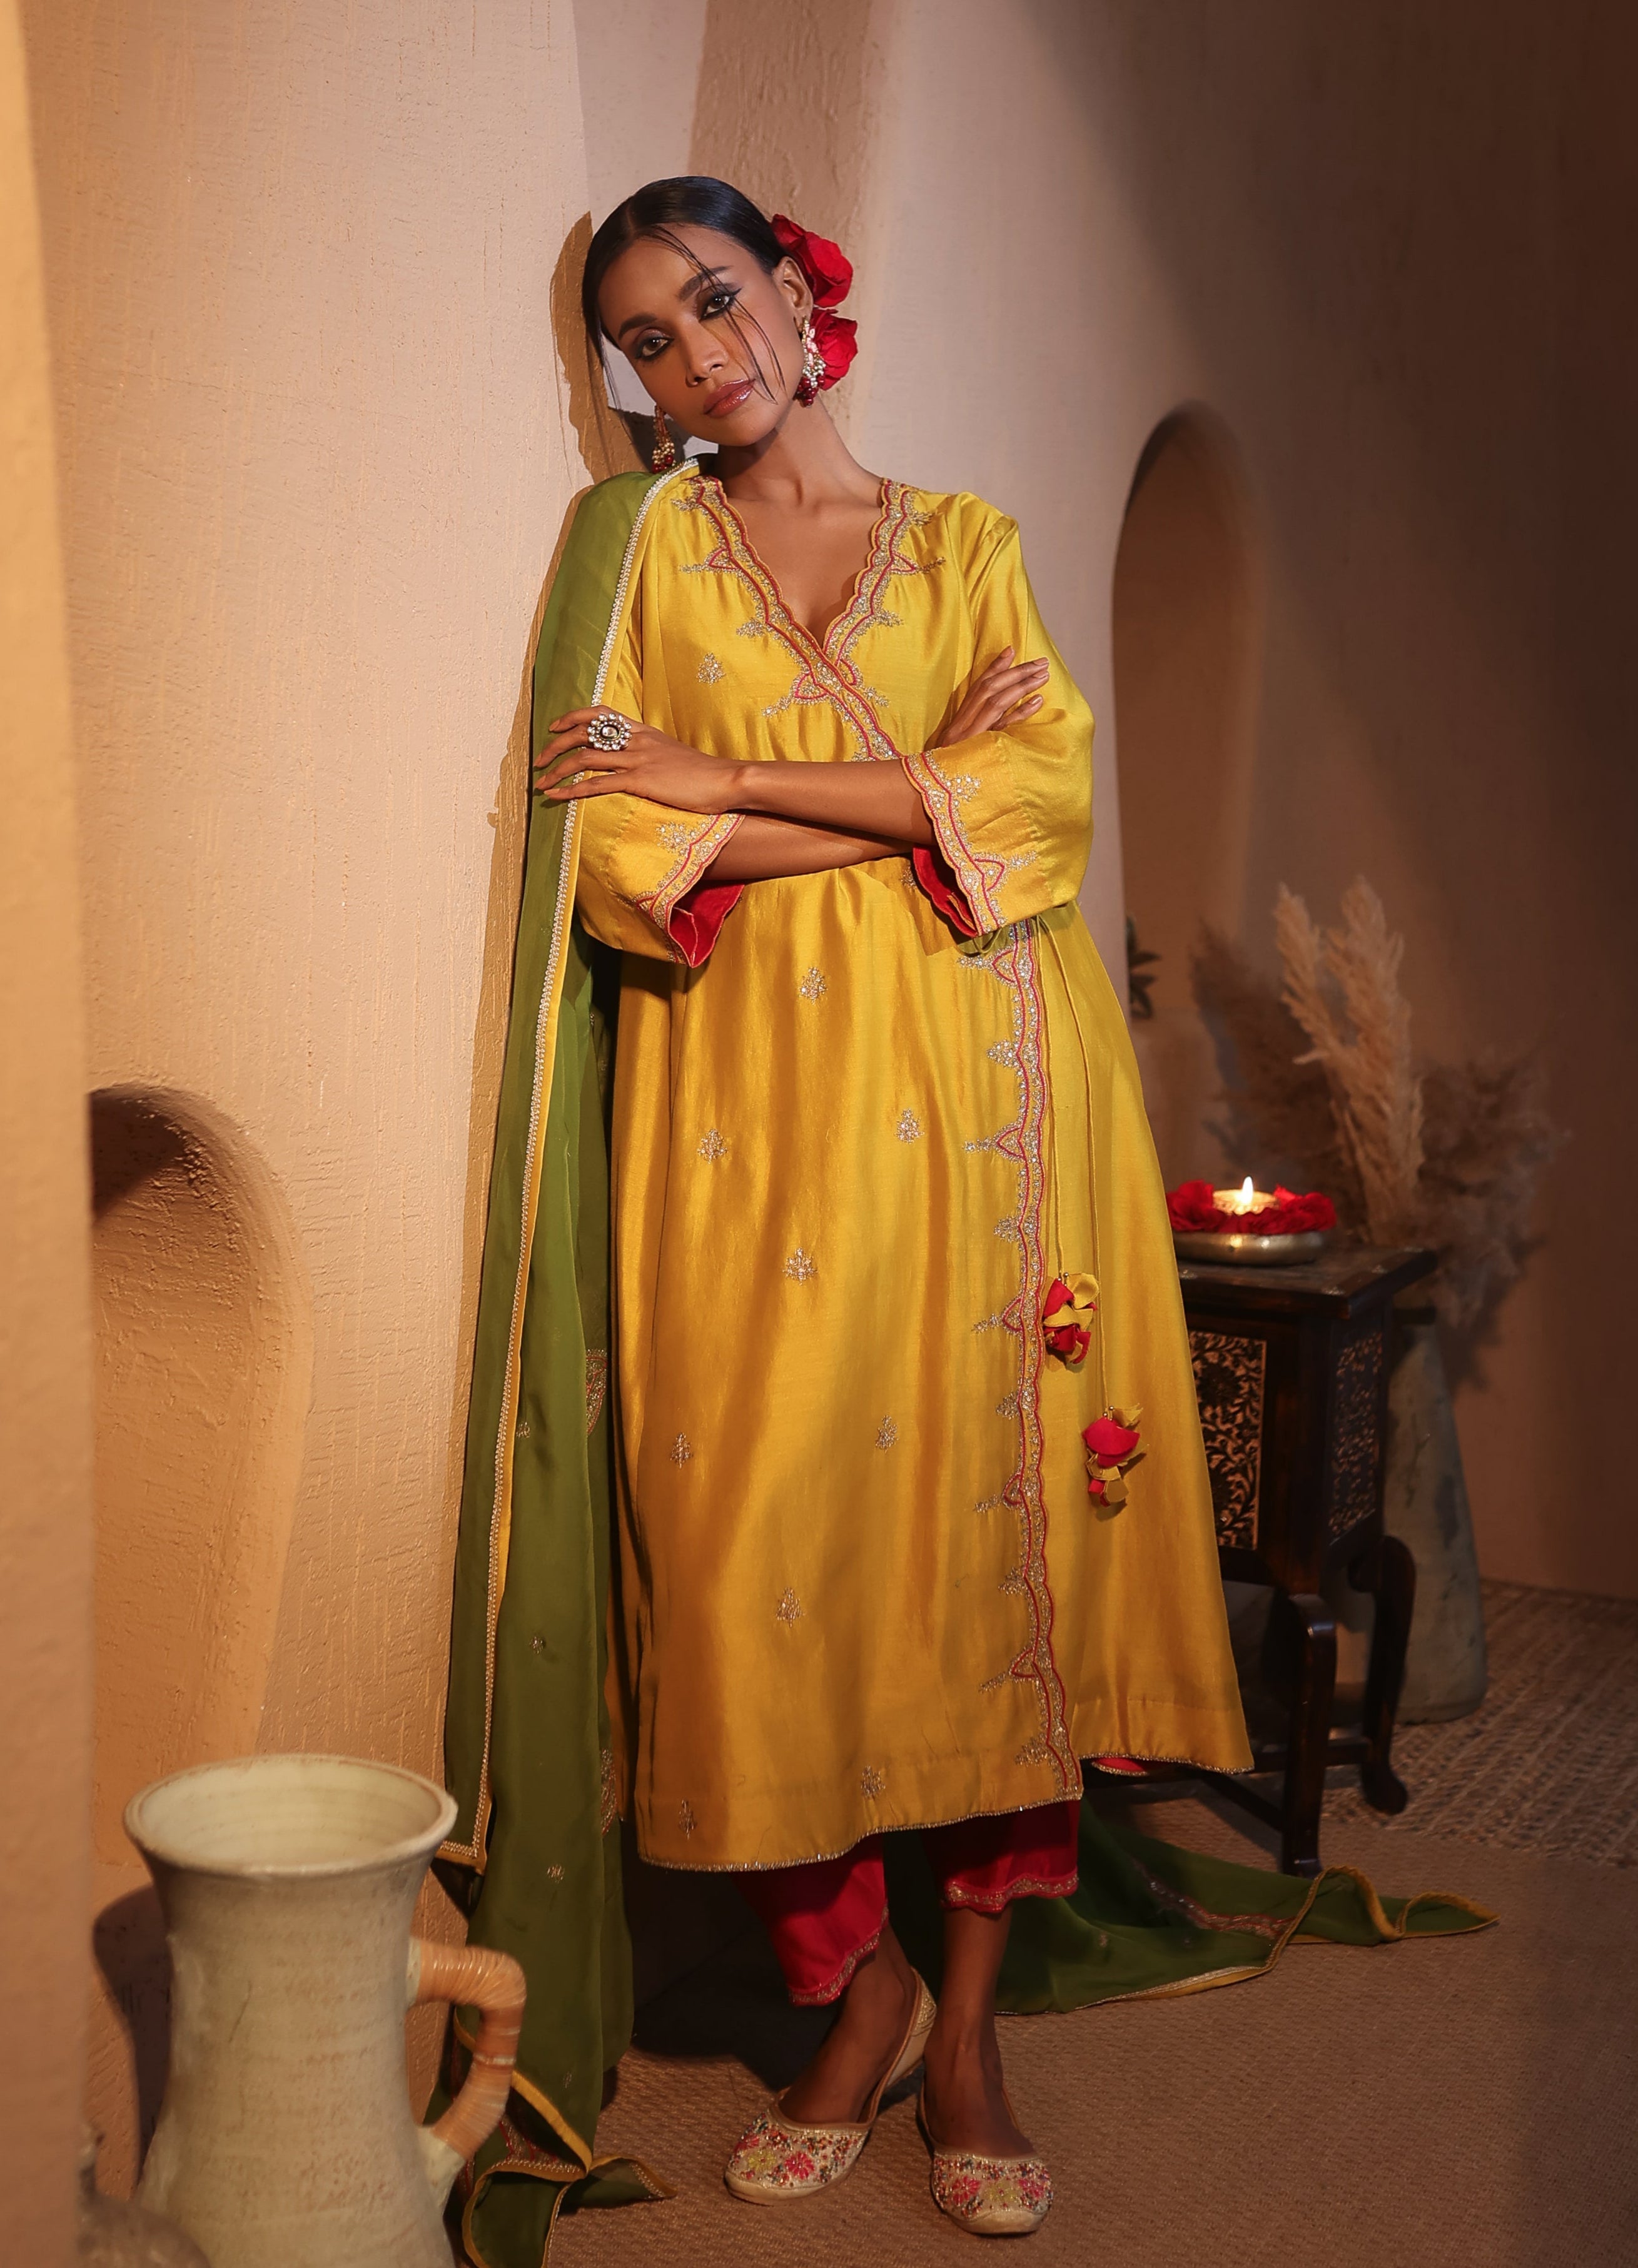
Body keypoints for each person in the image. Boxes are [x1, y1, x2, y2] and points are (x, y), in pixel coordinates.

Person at [438, 181, 1487, 2260]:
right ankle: (856, 1990)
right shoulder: (629, 560)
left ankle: (975, 2028)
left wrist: (739, 774)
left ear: (802, 305)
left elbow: (1032, 795)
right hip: (753, 1124)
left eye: (714, 303)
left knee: (984, 1549)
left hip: (995, 1108)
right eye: (644, 341)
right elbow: (621, 832)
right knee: (756, 1548)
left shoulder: (967, 542)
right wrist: (875, 791)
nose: (692, 357)